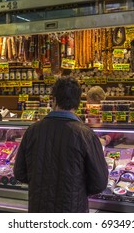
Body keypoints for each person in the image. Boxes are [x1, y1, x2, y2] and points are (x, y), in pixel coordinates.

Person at [14, 76, 108, 213]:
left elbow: (20, 173)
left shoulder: (32, 131)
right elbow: (99, 183)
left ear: (54, 99)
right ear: (78, 103)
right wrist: (75, 190)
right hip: (72, 209)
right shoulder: (86, 135)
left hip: (39, 208)